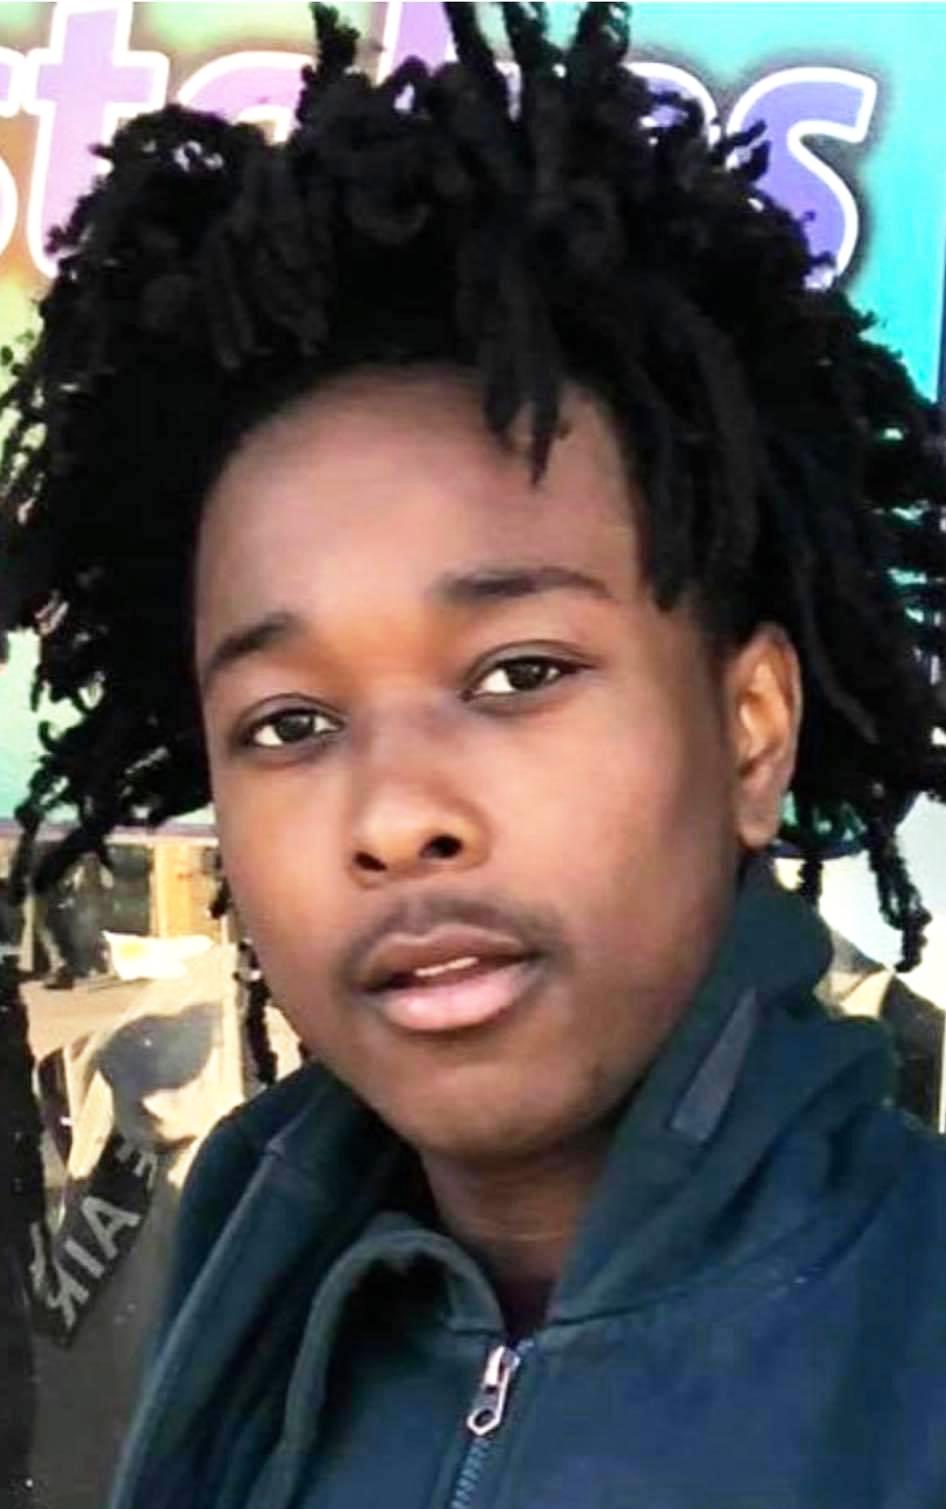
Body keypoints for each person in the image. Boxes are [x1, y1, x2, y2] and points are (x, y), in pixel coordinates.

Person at [1, 4, 945, 1505]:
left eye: (519, 674)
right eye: (290, 724)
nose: (393, 816)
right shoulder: (249, 1265)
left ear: (750, 728)